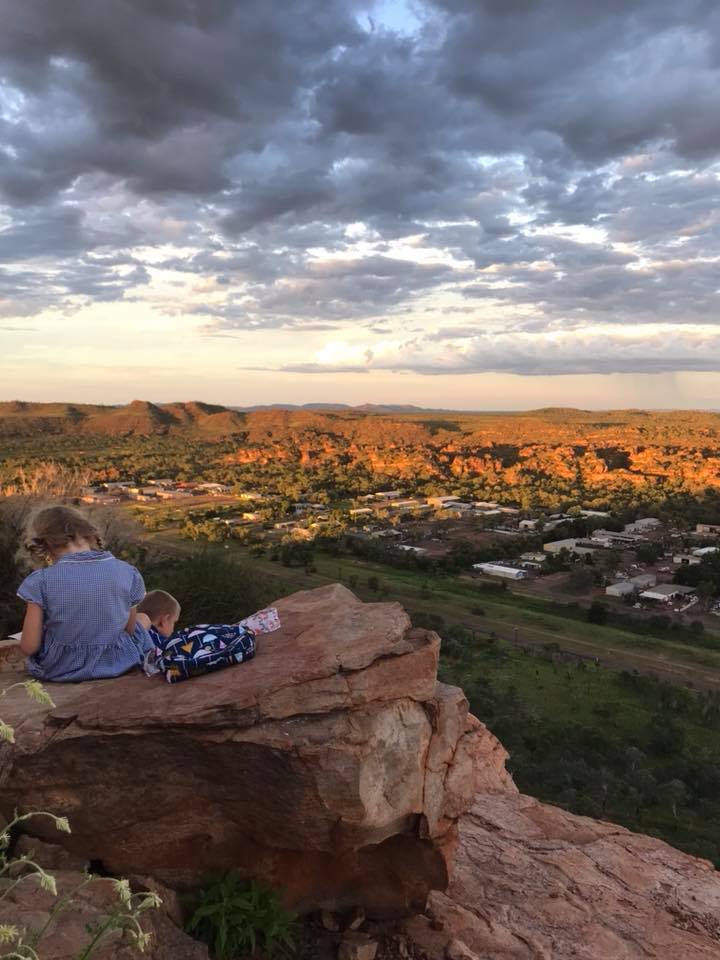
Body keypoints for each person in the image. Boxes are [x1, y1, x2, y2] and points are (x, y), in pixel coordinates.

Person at [17, 505, 150, 682]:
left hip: (61, 668)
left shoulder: (40, 581)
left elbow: (29, 646)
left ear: (44, 544)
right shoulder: (127, 572)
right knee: (144, 619)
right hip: (118, 662)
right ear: (89, 533)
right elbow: (130, 628)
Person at [135, 589, 257, 684]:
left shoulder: (137, 632)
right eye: (174, 622)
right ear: (163, 621)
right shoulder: (159, 641)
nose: (173, 628)